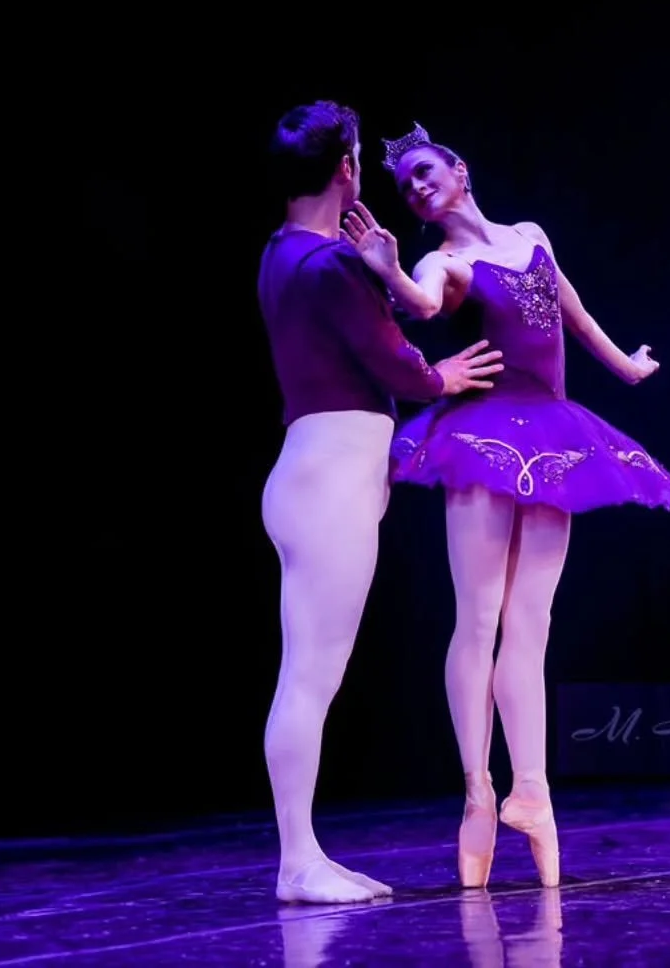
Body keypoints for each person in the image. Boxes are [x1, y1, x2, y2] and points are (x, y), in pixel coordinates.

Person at [341, 122, 670, 890]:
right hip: (485, 438)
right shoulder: (444, 261)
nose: (418, 187)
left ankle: (532, 790)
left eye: (427, 172)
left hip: (557, 433)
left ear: (460, 170)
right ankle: (476, 791)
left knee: (533, 621)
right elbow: (424, 305)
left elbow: (569, 306)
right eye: (407, 186)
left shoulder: (530, 234)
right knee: (479, 617)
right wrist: (390, 274)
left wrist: (625, 368)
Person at [257, 102, 504, 904]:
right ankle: (298, 862)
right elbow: (394, 360)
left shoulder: (290, 251)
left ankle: (304, 856)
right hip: (327, 479)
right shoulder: (324, 266)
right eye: (359, 157)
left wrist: (374, 267)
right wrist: (443, 379)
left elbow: (362, 321)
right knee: (310, 678)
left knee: (308, 674)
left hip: (313, 473)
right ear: (347, 169)